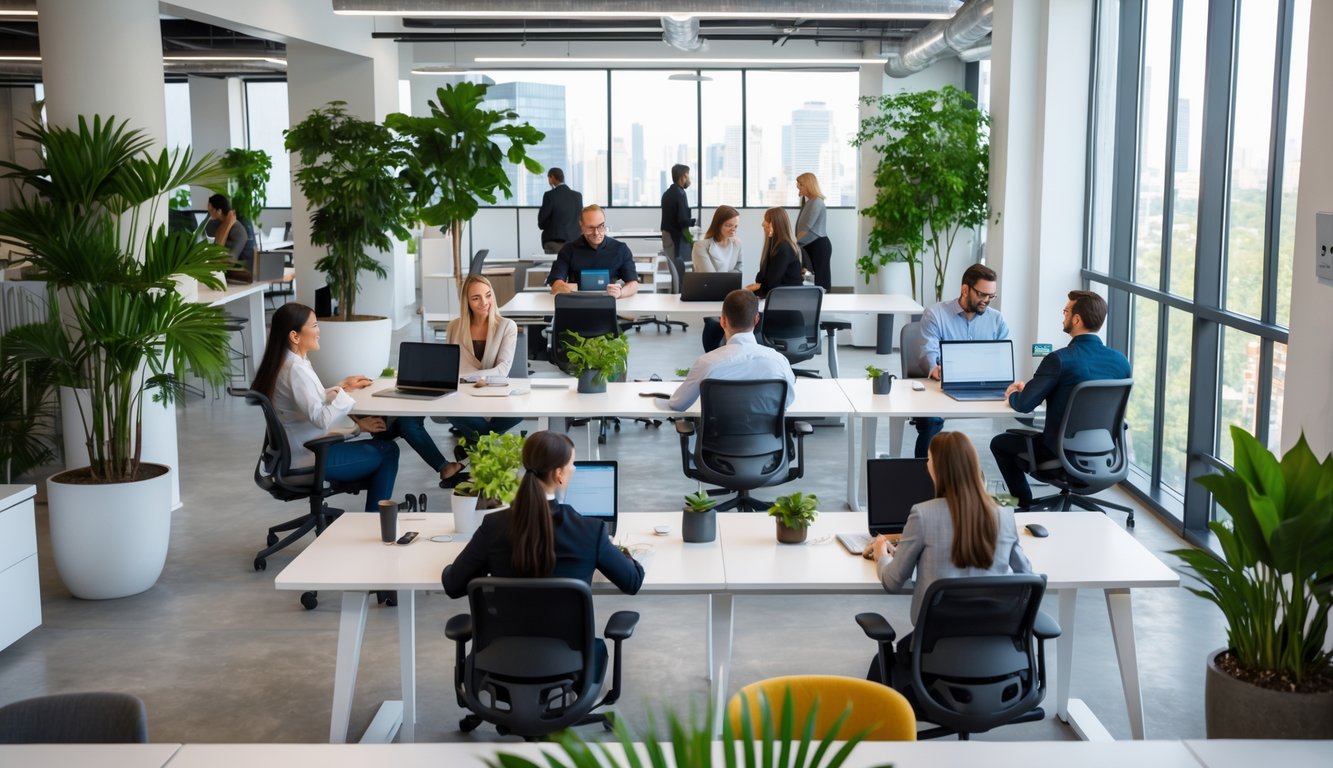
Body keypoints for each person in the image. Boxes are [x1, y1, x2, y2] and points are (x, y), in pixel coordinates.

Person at [866, 431, 1032, 687]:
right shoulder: (1004, 515)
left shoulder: (923, 514)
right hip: (995, 655)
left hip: (933, 654)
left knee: (882, 664)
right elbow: (1026, 578)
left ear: (940, 468)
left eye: (929, 459)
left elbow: (893, 582)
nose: (926, 464)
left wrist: (882, 554)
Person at [441, 430, 644, 597]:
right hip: (571, 647)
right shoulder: (591, 531)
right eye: (571, 463)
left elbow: (453, 585)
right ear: (559, 474)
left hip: (504, 646)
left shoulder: (493, 526)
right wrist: (624, 554)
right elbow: (632, 582)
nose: (573, 468)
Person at [989, 290, 1132, 509]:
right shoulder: (1121, 361)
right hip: (1107, 457)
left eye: (1066, 311)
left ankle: (1024, 504)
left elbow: (1024, 405)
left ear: (1076, 319)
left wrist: (1015, 393)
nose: (1063, 316)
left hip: (1061, 457)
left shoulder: (1059, 359)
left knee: (1000, 443)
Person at [249, 302, 398, 511]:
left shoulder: (284, 363)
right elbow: (321, 419)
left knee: (380, 449)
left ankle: (373, 518)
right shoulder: (296, 370)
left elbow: (305, 402)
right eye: (315, 325)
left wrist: (341, 386)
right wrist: (354, 421)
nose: (319, 331)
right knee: (388, 450)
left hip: (293, 455)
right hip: (312, 458)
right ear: (295, 336)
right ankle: (374, 520)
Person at [911, 263, 1009, 457]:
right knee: (931, 421)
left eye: (991, 296)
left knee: (1015, 408)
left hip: (983, 386)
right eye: (982, 295)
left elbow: (1001, 360)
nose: (986, 301)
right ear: (965, 289)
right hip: (941, 387)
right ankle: (922, 480)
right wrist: (936, 369)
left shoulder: (997, 320)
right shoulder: (936, 314)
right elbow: (928, 353)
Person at [662, 289, 796, 413]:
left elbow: (677, 405)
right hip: (767, 438)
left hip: (717, 438)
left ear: (723, 321)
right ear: (756, 320)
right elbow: (787, 401)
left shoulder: (707, 363)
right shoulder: (778, 361)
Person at [702, 207, 804, 352]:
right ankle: (725, 358)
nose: (763, 224)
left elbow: (768, 283)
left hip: (781, 314)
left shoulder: (783, 248)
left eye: (766, 221)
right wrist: (759, 284)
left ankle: (721, 360)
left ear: (775, 223)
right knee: (722, 324)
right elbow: (762, 277)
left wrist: (753, 288)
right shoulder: (777, 247)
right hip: (778, 308)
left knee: (720, 325)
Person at [445, 273, 524, 451]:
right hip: (463, 397)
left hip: (495, 395)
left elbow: (503, 369)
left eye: (488, 295)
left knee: (518, 413)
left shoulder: (507, 326)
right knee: (449, 411)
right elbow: (448, 367)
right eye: (476, 298)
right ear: (466, 302)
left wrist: (467, 377)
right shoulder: (454, 327)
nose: (484, 302)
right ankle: (485, 449)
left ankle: (473, 449)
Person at [547, 205, 639, 298]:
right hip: (577, 304)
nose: (596, 233)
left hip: (609, 304)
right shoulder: (568, 250)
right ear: (581, 226)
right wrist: (568, 289)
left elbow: (633, 284)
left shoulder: (620, 249)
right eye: (590, 228)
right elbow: (555, 284)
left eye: (600, 226)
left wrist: (620, 293)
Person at [205, 193, 256, 282]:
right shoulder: (216, 224)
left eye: (211, 210)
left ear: (219, 211)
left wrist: (211, 263)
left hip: (236, 274)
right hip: (218, 269)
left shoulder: (238, 230)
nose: (209, 213)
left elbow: (229, 262)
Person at [794, 173, 831, 290]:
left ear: (808, 185)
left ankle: (825, 304)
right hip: (809, 245)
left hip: (818, 245)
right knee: (814, 280)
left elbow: (806, 228)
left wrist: (793, 243)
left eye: (800, 184)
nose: (798, 187)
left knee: (821, 279)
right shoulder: (809, 202)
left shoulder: (816, 202)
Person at [536, 167, 583, 254]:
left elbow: (542, 221)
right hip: (575, 242)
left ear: (552, 177)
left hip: (555, 243)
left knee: (555, 267)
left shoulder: (550, 195)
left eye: (548, 178)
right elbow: (581, 218)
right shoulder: (578, 196)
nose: (548, 180)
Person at [660, 163, 694, 277]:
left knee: (672, 269)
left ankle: (674, 291)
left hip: (667, 235)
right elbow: (682, 221)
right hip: (675, 238)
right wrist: (693, 222)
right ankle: (679, 292)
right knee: (679, 268)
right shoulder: (680, 194)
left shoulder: (667, 193)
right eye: (688, 176)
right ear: (683, 177)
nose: (689, 179)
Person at [691, 205, 743, 273]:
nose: (733, 229)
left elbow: (739, 271)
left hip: (731, 283)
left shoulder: (737, 244)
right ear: (718, 225)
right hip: (710, 283)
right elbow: (711, 277)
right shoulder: (700, 246)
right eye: (729, 225)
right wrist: (731, 277)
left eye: (735, 226)